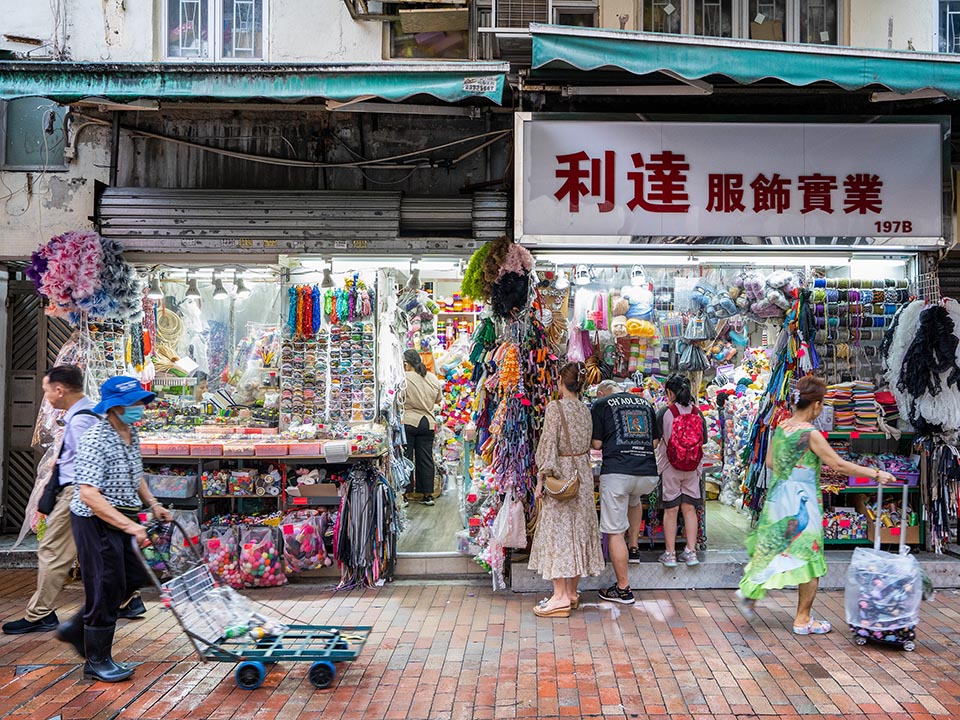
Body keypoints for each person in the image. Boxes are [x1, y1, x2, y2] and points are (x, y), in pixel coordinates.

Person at [735, 375, 895, 635]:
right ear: (817, 405)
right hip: (802, 499)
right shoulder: (810, 434)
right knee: (810, 556)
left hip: (778, 498)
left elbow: (770, 463)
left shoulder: (781, 427)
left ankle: (749, 594)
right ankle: (802, 619)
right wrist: (876, 474)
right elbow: (838, 465)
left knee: (770, 548)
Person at [60, 376, 172, 682]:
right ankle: (96, 661)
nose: (139, 408)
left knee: (135, 575)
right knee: (107, 582)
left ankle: (76, 629)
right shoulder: (96, 438)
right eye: (133, 403)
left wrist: (153, 504)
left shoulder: (130, 433)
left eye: (140, 402)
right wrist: (129, 527)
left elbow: (136, 475)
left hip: (123, 516)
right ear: (116, 407)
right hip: (95, 519)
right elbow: (89, 494)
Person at [3, 366, 100, 635]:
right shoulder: (87, 412)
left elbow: (83, 462)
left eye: (46, 390)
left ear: (60, 390)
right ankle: (129, 599)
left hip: (77, 493)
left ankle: (39, 614)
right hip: (81, 492)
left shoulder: (80, 420)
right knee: (96, 551)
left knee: (52, 552)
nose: (46, 397)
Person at [529, 363, 604, 618]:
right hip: (581, 476)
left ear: (561, 381)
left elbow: (548, 445)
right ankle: (572, 593)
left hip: (561, 476)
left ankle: (559, 597)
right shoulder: (585, 409)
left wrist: (541, 479)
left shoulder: (555, 408)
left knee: (557, 533)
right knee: (578, 531)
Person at [592, 380, 661, 605]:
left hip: (618, 473)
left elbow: (596, 444)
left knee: (613, 531)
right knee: (634, 500)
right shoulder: (645, 403)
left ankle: (623, 588)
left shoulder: (601, 404)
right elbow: (655, 441)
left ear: (602, 392)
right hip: (647, 473)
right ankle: (633, 547)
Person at [655, 374, 707, 568]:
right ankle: (691, 552)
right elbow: (704, 441)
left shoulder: (665, 413)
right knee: (690, 509)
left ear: (670, 392)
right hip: (693, 467)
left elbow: (655, 441)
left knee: (671, 510)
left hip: (670, 467)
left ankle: (670, 554)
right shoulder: (697, 412)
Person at [402, 348, 443, 506]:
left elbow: (398, 398)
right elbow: (438, 399)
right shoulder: (432, 377)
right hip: (428, 422)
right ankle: (427, 495)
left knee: (406, 458)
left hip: (409, 421)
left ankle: (405, 494)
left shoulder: (404, 378)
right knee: (426, 458)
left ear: (407, 363)